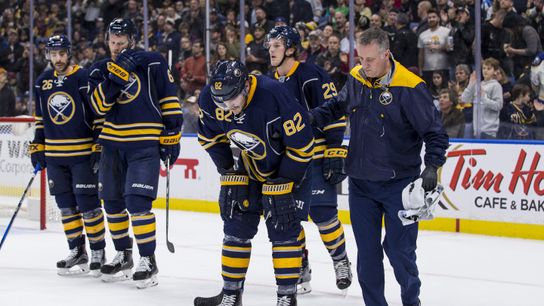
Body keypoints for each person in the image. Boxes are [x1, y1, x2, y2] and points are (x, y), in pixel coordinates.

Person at [309, 28, 449, 306]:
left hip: (400, 185)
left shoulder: (410, 86)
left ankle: (411, 300)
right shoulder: (357, 78)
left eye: (370, 59)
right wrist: (307, 119)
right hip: (361, 185)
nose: (364, 65)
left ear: (386, 54)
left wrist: (432, 166)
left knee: (399, 251)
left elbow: (435, 133)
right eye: (360, 58)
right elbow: (335, 106)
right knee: (368, 254)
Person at [194, 60, 314, 306]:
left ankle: (286, 298)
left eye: (233, 99)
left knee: (283, 229)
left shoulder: (274, 95)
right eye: (222, 102)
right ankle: (231, 294)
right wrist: (228, 171)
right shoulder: (210, 99)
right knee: (236, 224)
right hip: (251, 168)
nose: (229, 107)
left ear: (246, 84)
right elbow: (210, 138)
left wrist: (284, 182)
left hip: (291, 167)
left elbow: (303, 144)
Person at [87, 18, 183, 288]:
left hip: (144, 145)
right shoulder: (99, 69)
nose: (116, 47)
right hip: (112, 146)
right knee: (113, 204)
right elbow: (97, 106)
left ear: (132, 40)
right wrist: (115, 77)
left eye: (121, 42)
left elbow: (169, 98)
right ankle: (123, 255)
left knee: (138, 203)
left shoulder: (152, 61)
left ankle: (148, 260)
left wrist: (172, 136)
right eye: (112, 42)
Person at [265, 25, 352, 295]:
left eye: (277, 45)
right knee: (288, 218)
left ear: (291, 48)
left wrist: (334, 152)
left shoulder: (310, 75)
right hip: (288, 162)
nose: (271, 50)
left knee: (324, 215)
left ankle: (341, 261)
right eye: (270, 45)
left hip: (315, 157)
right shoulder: (271, 83)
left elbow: (335, 111)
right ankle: (300, 264)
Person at [30, 34, 106, 276]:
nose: (58, 58)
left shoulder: (83, 77)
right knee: (65, 207)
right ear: (48, 55)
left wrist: (97, 144)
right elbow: (41, 120)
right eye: (54, 54)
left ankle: (97, 251)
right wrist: (37, 145)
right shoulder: (42, 82)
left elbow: (98, 114)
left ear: (69, 53)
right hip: (55, 156)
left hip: (81, 153)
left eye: (62, 53)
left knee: (89, 206)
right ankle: (77, 250)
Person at [461, 58, 503, 139]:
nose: (485, 71)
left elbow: (498, 105)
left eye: (489, 68)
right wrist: (471, 83)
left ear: (495, 71)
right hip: (476, 130)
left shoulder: (496, 86)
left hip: (489, 131)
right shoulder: (478, 85)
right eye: (484, 68)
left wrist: (484, 97)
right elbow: (465, 100)